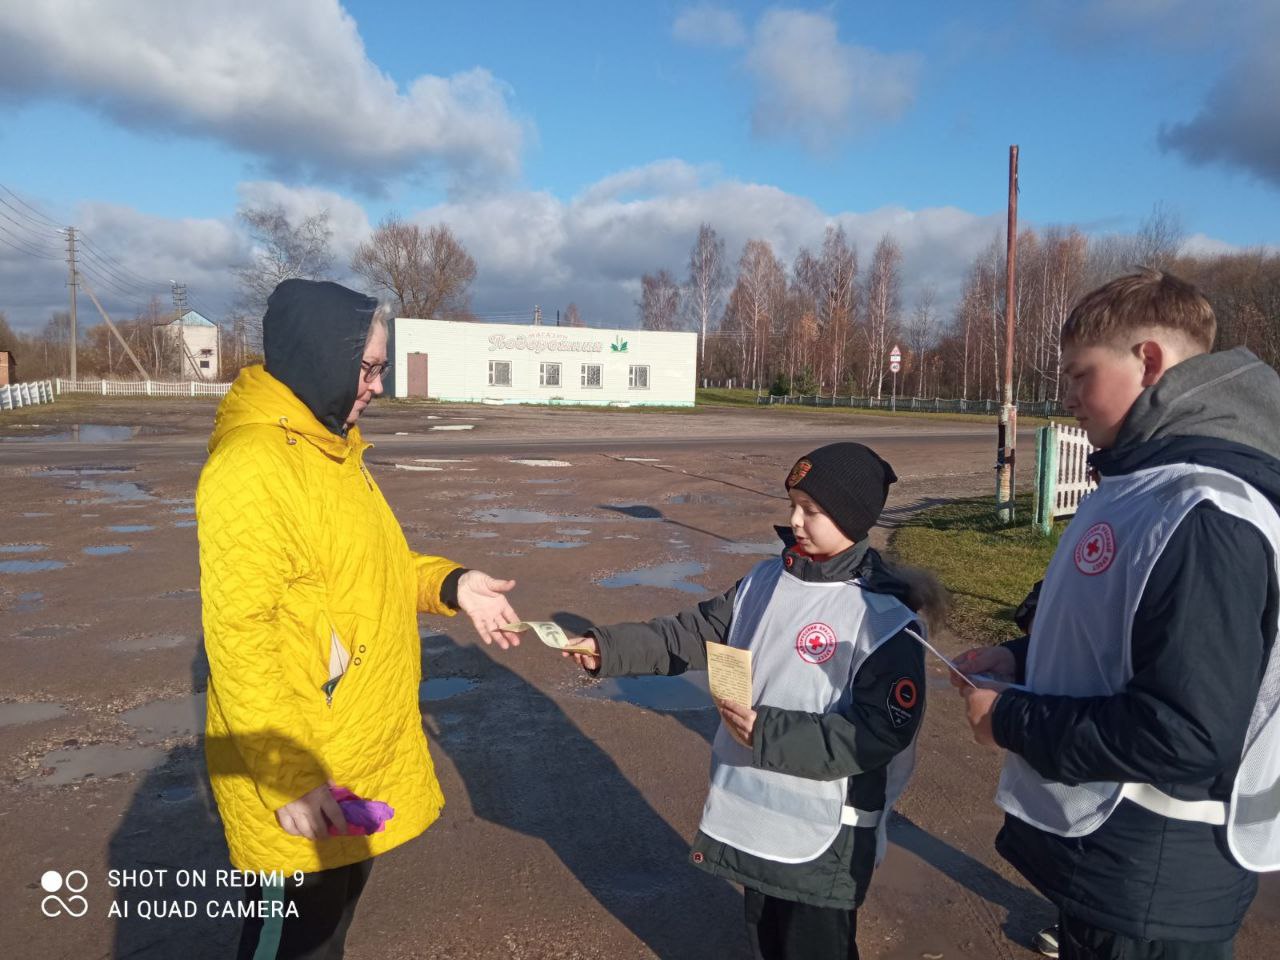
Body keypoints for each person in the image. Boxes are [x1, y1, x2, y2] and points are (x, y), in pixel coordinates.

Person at [955, 270, 1280, 960]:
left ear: (1150, 362)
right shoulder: (1144, 482)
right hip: (1112, 863)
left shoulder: (1207, 512)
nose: (1068, 397)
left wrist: (1008, 720)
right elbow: (1125, 636)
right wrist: (1018, 659)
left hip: (1154, 879)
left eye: (1080, 375)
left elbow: (1185, 733)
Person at [198, 278, 523, 959]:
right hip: (301, 771)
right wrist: (287, 774)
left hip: (348, 753)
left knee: (331, 930)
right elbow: (240, 639)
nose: (377, 383)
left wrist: (456, 585)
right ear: (323, 358)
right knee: (291, 941)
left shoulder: (332, 449)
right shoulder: (254, 467)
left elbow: (378, 569)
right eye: (368, 367)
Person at [564, 442, 945, 960]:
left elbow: (880, 731)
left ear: (853, 517)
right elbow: (692, 634)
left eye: (811, 510)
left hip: (825, 839)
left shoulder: (881, 619)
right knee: (765, 940)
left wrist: (769, 732)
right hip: (754, 817)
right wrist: (607, 648)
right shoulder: (765, 582)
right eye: (793, 503)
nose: (794, 520)